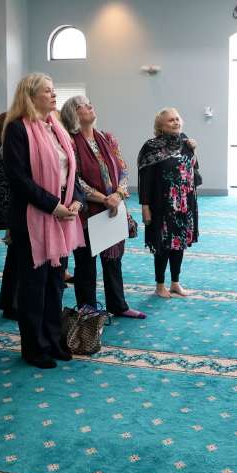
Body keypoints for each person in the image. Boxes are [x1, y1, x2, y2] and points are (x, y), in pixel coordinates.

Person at [2, 73, 85, 368]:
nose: (54, 95)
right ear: (30, 96)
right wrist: (52, 206)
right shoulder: (17, 129)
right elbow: (18, 178)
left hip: (62, 215)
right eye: (47, 91)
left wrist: (76, 199)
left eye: (54, 90)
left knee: (55, 284)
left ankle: (53, 340)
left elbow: (72, 170)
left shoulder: (56, 127)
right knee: (34, 287)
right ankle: (34, 347)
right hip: (33, 217)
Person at [60, 96, 146, 318]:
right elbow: (74, 179)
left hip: (113, 208)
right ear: (73, 114)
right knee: (85, 263)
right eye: (83, 105)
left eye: (89, 103)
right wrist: (103, 198)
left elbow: (123, 169)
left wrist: (117, 195)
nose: (90, 106)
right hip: (87, 212)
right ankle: (88, 310)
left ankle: (118, 305)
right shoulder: (70, 142)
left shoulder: (107, 138)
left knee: (113, 260)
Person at [137, 108, 201, 299]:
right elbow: (145, 180)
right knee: (163, 244)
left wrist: (194, 150)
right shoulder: (151, 147)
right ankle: (160, 285)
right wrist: (145, 206)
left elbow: (194, 169)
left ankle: (175, 283)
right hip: (161, 205)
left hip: (184, 204)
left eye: (177, 119)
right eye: (171, 120)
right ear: (160, 126)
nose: (176, 122)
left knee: (179, 244)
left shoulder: (186, 142)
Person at [0, 112, 18, 320]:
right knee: (16, 261)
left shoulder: (4, 149)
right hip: (13, 214)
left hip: (11, 213)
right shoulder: (4, 151)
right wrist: (10, 223)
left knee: (14, 260)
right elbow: (4, 191)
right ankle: (12, 305)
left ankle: (10, 303)